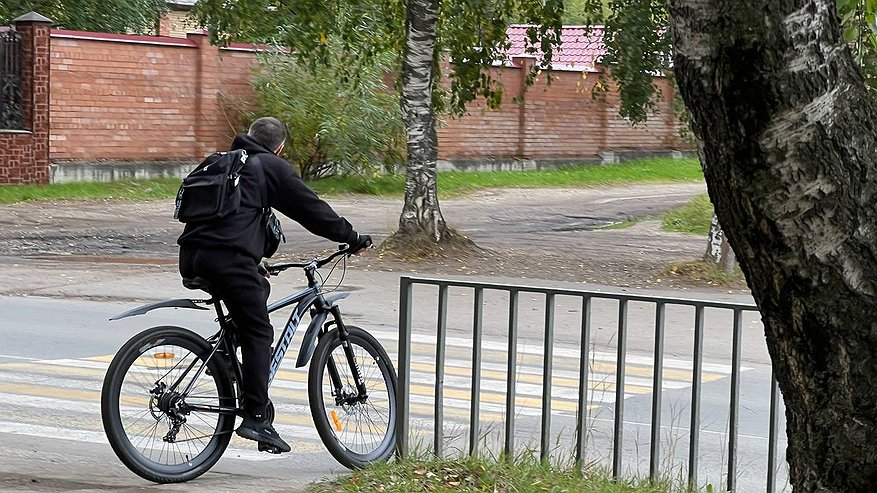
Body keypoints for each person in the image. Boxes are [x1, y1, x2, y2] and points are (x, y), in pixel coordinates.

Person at [177, 116, 372, 453]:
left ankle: (225, 353)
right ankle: (256, 419)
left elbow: (223, 217)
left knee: (255, 292)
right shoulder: (269, 166)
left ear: (250, 137)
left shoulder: (220, 161)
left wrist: (255, 259)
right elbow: (311, 210)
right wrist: (351, 236)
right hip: (229, 260)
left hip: (193, 257)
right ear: (279, 147)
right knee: (259, 332)